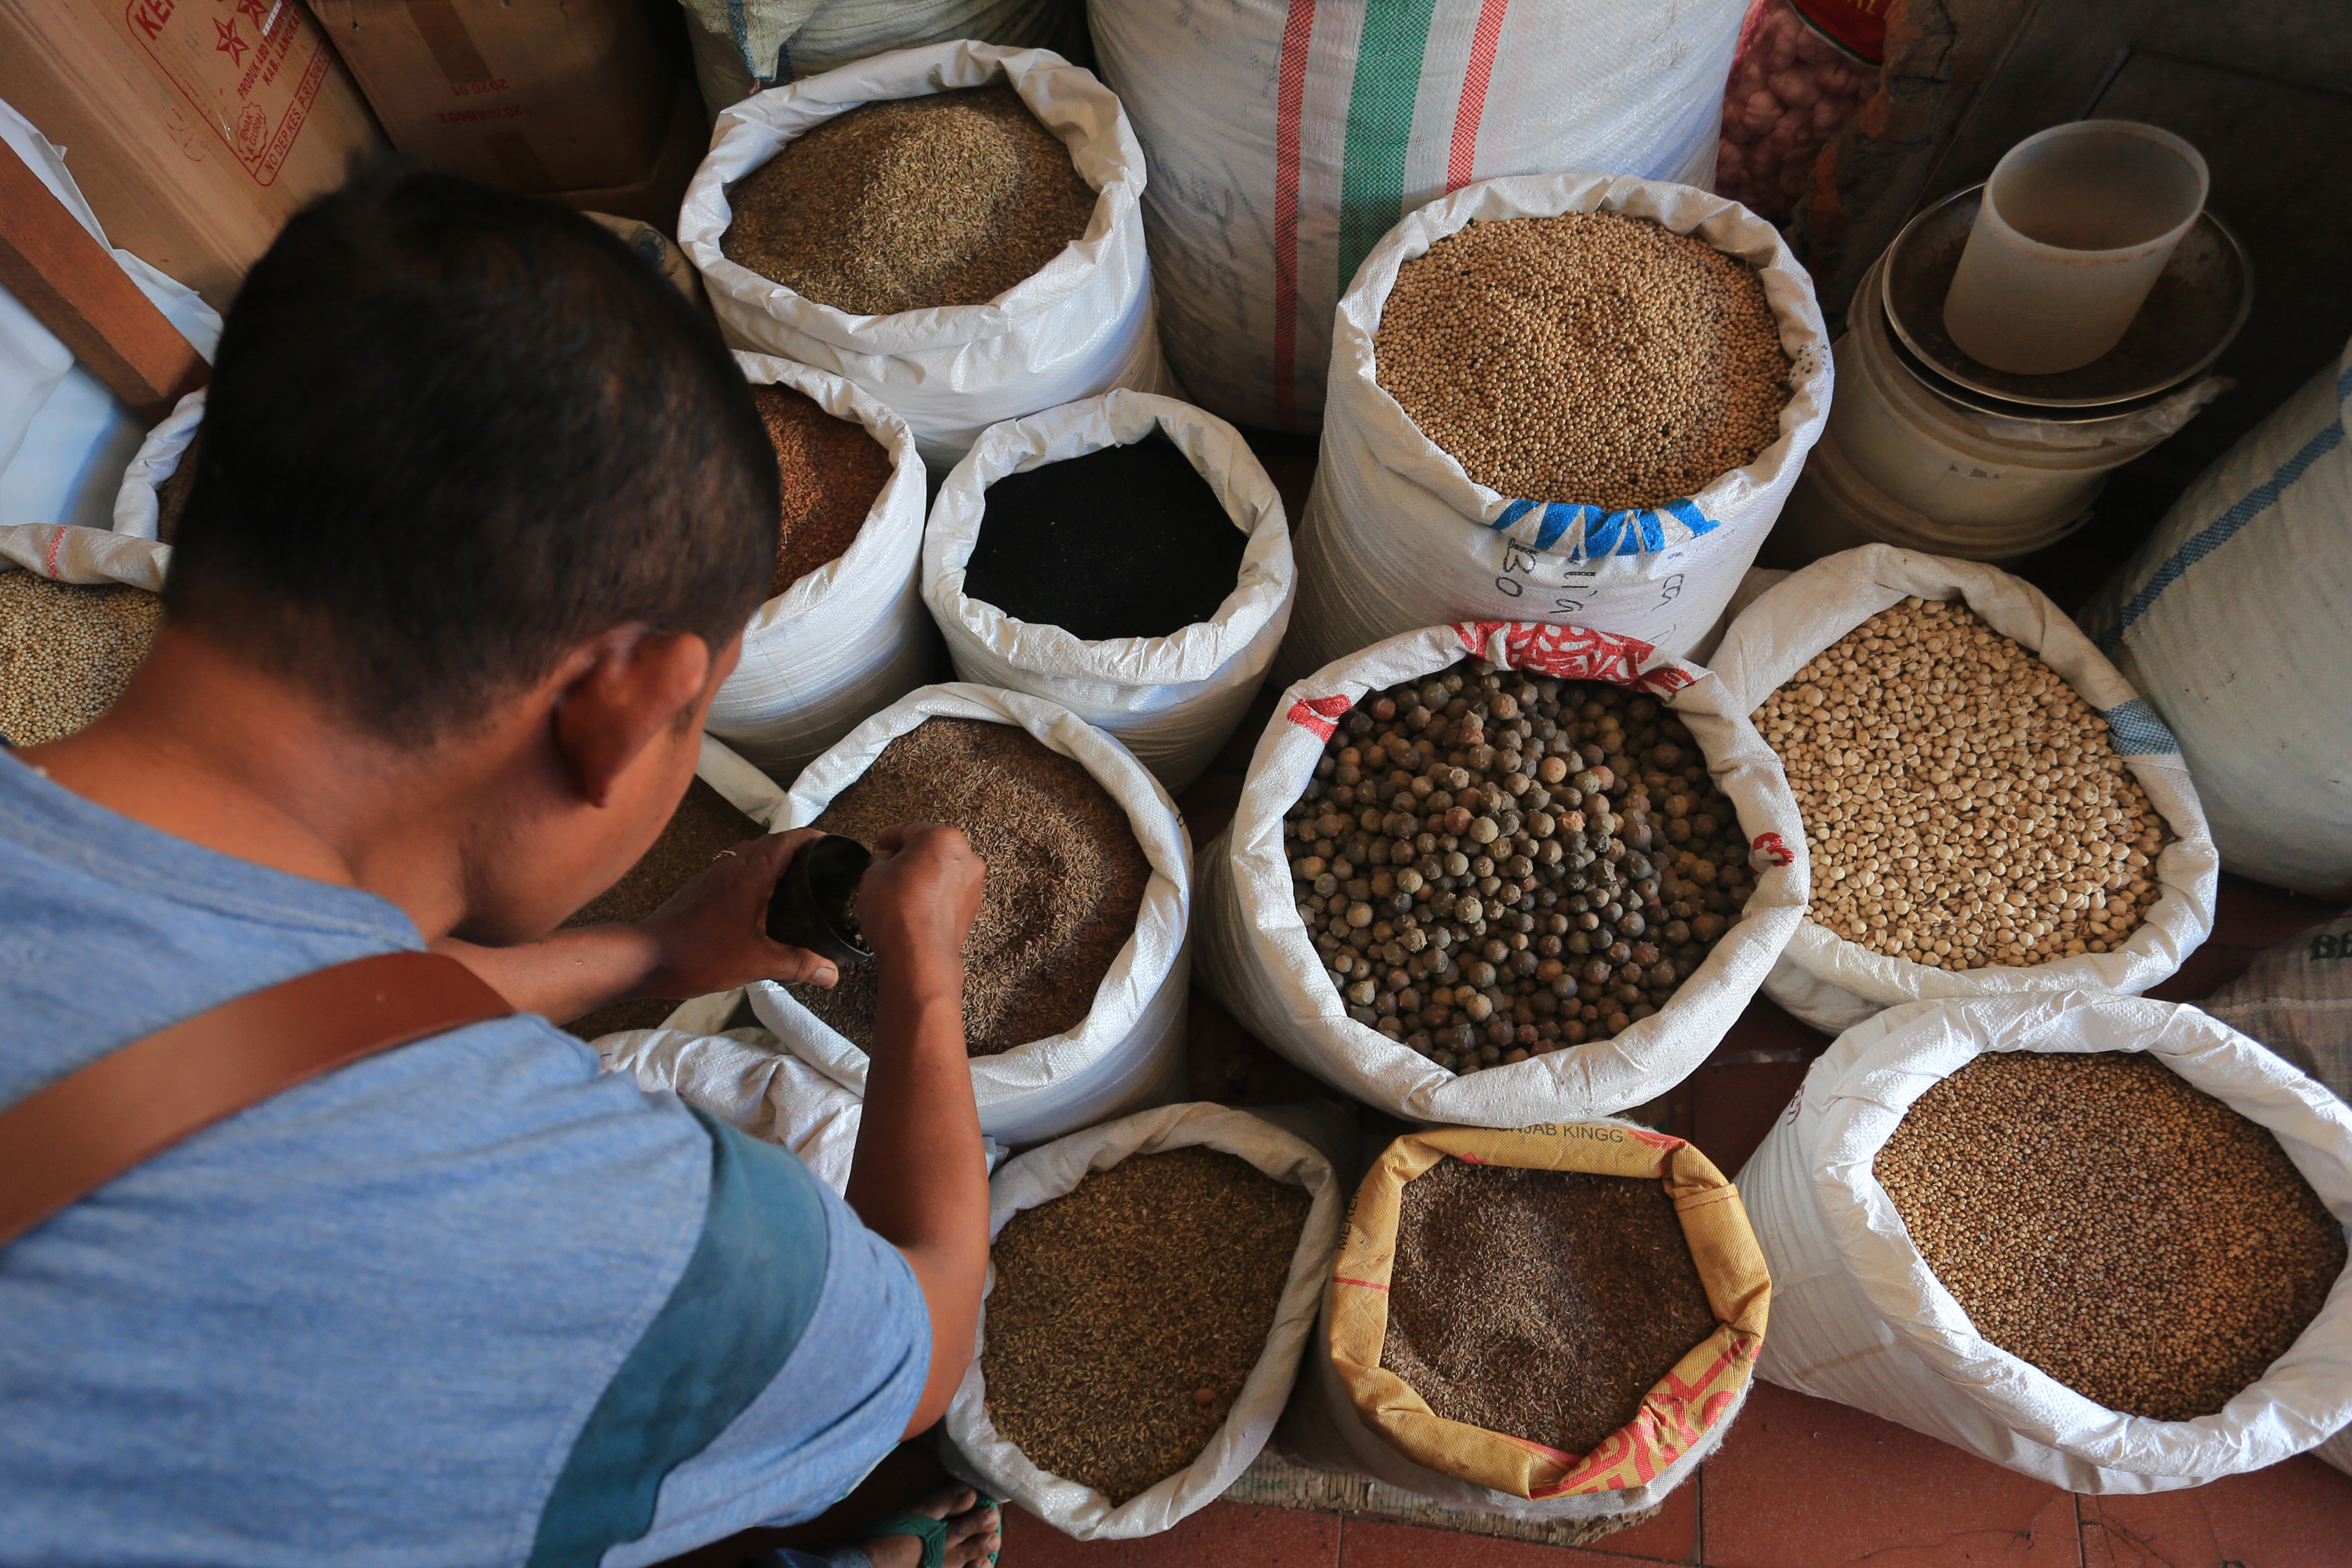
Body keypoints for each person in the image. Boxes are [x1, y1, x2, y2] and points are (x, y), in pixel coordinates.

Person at [0, 167, 998, 1568]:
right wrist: (929, 979)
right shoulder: (608, 1228)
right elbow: (930, 1328)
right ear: (624, 707)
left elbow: (253, 1002)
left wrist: (648, 958)